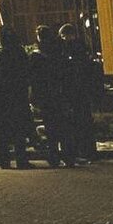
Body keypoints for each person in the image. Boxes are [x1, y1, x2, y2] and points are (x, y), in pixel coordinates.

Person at [0, 25, 33, 169]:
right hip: (17, 94)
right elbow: (26, 72)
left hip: (2, 96)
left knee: (3, 129)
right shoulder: (19, 52)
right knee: (19, 128)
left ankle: (4, 160)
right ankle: (21, 159)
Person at [28, 25, 71, 167]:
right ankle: (67, 155)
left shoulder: (36, 55)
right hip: (58, 92)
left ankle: (54, 156)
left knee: (50, 126)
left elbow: (33, 78)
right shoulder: (57, 51)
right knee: (62, 125)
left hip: (46, 95)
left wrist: (34, 96)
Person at [59, 23, 97, 161]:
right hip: (83, 91)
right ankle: (89, 151)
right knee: (86, 122)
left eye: (63, 36)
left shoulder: (70, 50)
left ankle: (82, 151)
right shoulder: (82, 48)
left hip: (75, 92)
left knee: (78, 123)